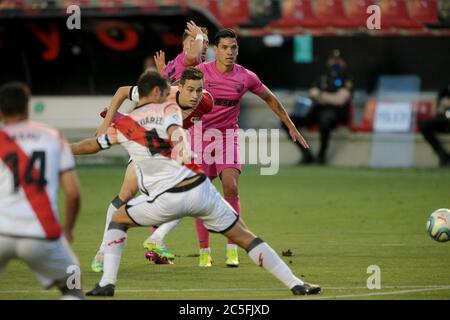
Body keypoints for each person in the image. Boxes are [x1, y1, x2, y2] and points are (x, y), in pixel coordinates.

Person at [70, 71, 321, 297]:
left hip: (167, 199)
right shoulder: (170, 110)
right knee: (245, 236)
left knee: (118, 219)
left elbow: (91, 146)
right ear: (159, 92)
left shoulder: (125, 124)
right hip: (201, 189)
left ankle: (107, 284)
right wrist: (179, 145)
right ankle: (295, 283)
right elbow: (174, 129)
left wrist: (64, 148)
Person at [90, 67, 214, 272]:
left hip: (169, 151)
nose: (195, 96)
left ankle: (156, 238)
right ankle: (103, 251)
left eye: (199, 91)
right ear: (179, 87)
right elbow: (122, 91)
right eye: (190, 90)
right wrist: (106, 123)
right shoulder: (166, 94)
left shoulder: (207, 103)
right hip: (143, 144)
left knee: (186, 195)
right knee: (126, 194)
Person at [0, 82, 83, 300]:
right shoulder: (52, 136)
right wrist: (68, 228)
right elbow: (73, 193)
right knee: (73, 284)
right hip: (40, 232)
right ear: (28, 107)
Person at [284, 49, 353, 165]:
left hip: (337, 113)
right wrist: (330, 97)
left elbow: (340, 100)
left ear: (343, 62)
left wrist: (321, 95)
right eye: (333, 60)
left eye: (338, 61)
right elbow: (312, 92)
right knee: (288, 121)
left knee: (325, 119)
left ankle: (321, 156)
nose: (335, 63)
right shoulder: (322, 77)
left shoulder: (347, 78)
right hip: (317, 110)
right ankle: (307, 154)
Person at [419, 83, 450, 167]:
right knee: (425, 125)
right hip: (445, 120)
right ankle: (443, 154)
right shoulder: (445, 91)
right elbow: (436, 105)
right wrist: (437, 108)